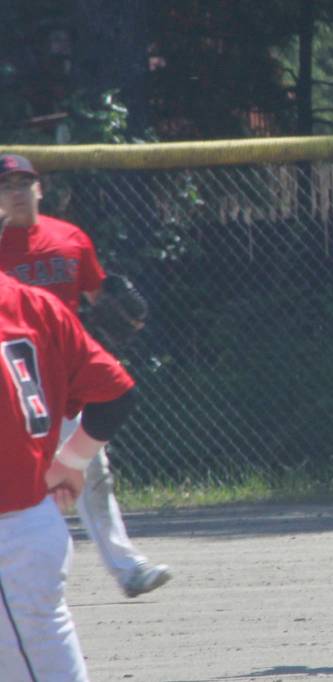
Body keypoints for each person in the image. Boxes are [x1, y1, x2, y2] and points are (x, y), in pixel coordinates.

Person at [0, 153, 171, 598]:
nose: (16, 193)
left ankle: (127, 567)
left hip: (64, 382)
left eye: (23, 183)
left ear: (39, 188)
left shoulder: (70, 238)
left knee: (91, 469)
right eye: (6, 186)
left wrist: (121, 311)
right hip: (10, 391)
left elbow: (98, 298)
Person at [0, 209, 139, 681]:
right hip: (28, 526)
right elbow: (116, 394)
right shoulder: (36, 305)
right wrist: (72, 460)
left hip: (11, 541)